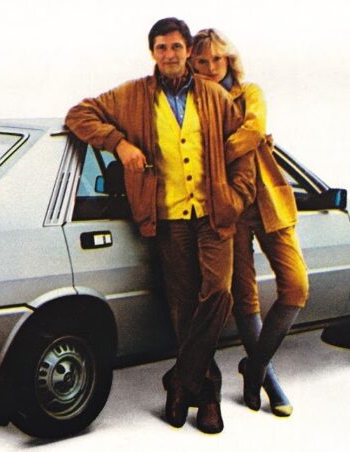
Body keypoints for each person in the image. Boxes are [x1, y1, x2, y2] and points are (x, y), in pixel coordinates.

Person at [65, 17, 256, 434]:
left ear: (188, 51)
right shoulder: (132, 95)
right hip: (169, 219)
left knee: (219, 292)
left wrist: (237, 196)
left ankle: (181, 380)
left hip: (215, 214)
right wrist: (119, 144)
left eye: (176, 47)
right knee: (183, 306)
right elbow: (79, 114)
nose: (169, 55)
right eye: (161, 48)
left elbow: (243, 150)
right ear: (152, 52)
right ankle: (207, 395)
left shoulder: (214, 96)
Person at [190, 28, 309, 417]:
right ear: (192, 65)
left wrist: (217, 154)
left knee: (296, 287)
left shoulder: (250, 92)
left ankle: (254, 366)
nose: (211, 67)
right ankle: (270, 382)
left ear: (229, 60)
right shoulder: (191, 105)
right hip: (230, 208)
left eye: (217, 59)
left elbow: (254, 129)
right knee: (245, 296)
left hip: (269, 200)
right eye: (202, 61)